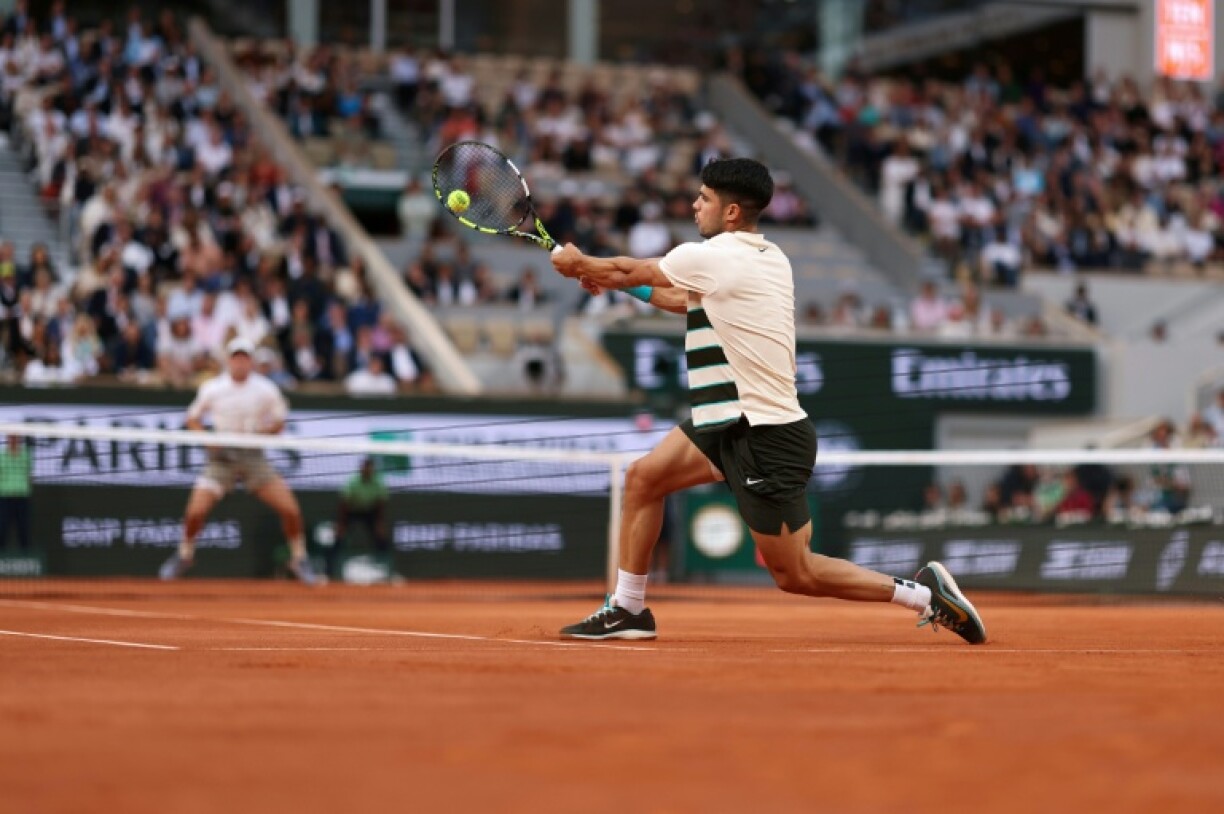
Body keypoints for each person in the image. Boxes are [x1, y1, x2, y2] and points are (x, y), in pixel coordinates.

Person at [549, 158, 986, 644]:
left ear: (731, 212)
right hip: (724, 423)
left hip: (765, 435)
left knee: (796, 574)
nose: (695, 205)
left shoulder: (712, 256)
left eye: (705, 199)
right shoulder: (769, 257)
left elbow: (630, 268)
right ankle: (628, 609)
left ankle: (924, 595)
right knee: (644, 479)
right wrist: (611, 280)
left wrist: (581, 265)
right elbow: (681, 298)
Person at [159, 338, 319, 584]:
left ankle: (299, 558)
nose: (240, 362)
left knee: (291, 510)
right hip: (221, 458)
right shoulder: (212, 388)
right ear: (229, 360)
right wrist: (207, 439)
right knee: (195, 512)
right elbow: (192, 418)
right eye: (236, 357)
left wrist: (261, 434)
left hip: (253, 457)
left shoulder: (266, 389)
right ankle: (184, 555)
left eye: (245, 357)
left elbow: (279, 422)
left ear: (251, 361)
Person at [332, 457, 390, 576]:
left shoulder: (378, 481)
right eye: (365, 467)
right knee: (338, 538)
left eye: (370, 468)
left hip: (370, 512)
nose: (367, 470)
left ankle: (385, 571)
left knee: (381, 539)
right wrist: (341, 524)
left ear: (373, 469)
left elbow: (380, 504)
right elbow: (344, 503)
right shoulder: (352, 481)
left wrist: (379, 523)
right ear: (361, 468)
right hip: (351, 511)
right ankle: (330, 572)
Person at [0, 435, 32, 553]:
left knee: (23, 529)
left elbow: (29, 476)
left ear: (19, 440)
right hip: (4, 497)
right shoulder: (1, 456)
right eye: (11, 438)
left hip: (22, 497)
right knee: (2, 528)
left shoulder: (26, 455)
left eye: (16, 438)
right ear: (7, 439)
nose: (13, 440)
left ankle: (26, 558)